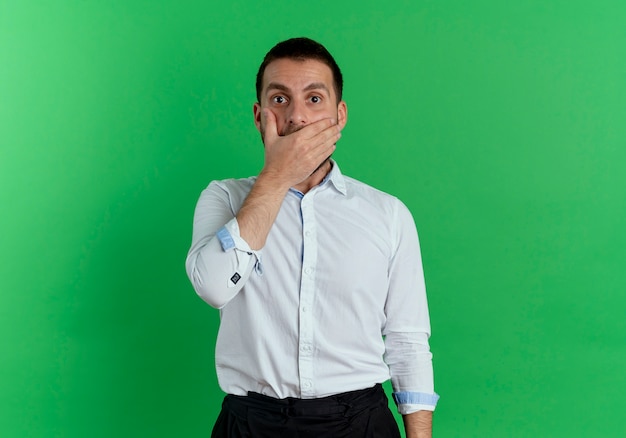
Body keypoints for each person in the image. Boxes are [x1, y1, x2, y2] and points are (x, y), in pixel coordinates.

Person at [185, 37, 439, 438]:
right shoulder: (224, 198)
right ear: (259, 115)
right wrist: (276, 176)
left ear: (340, 116)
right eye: (280, 99)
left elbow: (407, 342)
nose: (298, 117)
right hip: (252, 423)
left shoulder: (387, 214)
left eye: (315, 99)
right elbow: (215, 287)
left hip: (360, 421)